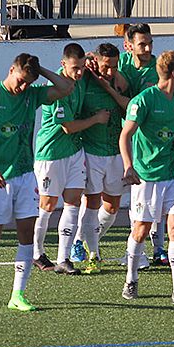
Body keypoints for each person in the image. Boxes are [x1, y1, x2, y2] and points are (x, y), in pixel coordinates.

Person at [0, 53, 74, 311]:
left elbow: (66, 88)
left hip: (26, 175)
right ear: (11, 69)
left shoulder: (31, 95)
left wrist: (40, 70)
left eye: (29, 82)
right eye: (21, 80)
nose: (24, 87)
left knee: (27, 235)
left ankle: (18, 295)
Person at [119, 50, 174, 305]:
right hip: (148, 176)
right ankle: (131, 279)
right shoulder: (143, 100)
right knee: (141, 230)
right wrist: (129, 166)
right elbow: (125, 136)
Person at [32, 43, 109, 275]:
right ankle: (36, 252)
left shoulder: (83, 76)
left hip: (74, 152)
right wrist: (96, 119)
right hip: (52, 153)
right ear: (63, 64)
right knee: (47, 204)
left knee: (74, 201)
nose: (79, 73)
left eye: (82, 68)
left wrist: (94, 64)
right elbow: (68, 127)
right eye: (75, 68)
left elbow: (99, 71)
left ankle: (63, 259)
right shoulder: (55, 88)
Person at [70, 43, 129, 271]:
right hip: (91, 150)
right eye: (106, 66)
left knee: (112, 206)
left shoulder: (120, 81)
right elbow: (66, 67)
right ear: (95, 62)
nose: (110, 70)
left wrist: (110, 83)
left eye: (114, 66)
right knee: (92, 200)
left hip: (115, 151)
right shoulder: (85, 77)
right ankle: (83, 245)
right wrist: (86, 60)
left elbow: (129, 106)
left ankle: (86, 239)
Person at [116, 23, 164, 264]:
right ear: (128, 46)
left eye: (150, 43)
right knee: (137, 198)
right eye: (142, 44)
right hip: (124, 136)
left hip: (149, 140)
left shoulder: (156, 70)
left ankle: (155, 248)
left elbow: (132, 104)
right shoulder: (121, 63)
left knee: (153, 195)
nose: (147, 48)